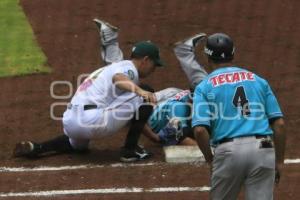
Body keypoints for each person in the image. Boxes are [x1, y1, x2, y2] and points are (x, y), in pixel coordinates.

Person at [13, 33, 165, 162]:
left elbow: (132, 114)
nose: (154, 70)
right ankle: (130, 150)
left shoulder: (112, 67)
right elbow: (118, 79)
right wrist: (141, 91)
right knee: (147, 91)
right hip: (92, 121)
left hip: (71, 122)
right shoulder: (129, 70)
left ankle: (38, 147)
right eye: (154, 64)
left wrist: (154, 137)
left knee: (77, 145)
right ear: (145, 60)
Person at [192, 33, 286, 199]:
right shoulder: (258, 80)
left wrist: (209, 159)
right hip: (263, 149)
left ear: (208, 58)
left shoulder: (204, 87)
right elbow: (279, 124)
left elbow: (200, 130)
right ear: (233, 54)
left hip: (228, 152)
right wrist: (278, 161)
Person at [92, 19, 209, 146]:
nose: (154, 69)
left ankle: (184, 52)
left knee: (204, 85)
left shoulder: (199, 101)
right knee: (122, 83)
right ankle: (184, 52)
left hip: (170, 95)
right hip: (155, 111)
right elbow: (183, 138)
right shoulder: (179, 110)